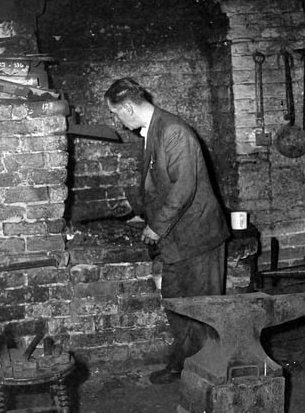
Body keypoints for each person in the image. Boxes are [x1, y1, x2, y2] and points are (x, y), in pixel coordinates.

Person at [105, 77, 229, 384]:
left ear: (129, 107)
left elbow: (183, 188)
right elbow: (158, 185)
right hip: (178, 239)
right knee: (175, 303)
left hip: (199, 238)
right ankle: (184, 365)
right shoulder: (153, 132)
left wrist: (155, 228)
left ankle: (203, 375)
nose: (117, 121)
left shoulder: (173, 131)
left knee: (202, 311)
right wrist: (143, 215)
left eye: (117, 114)